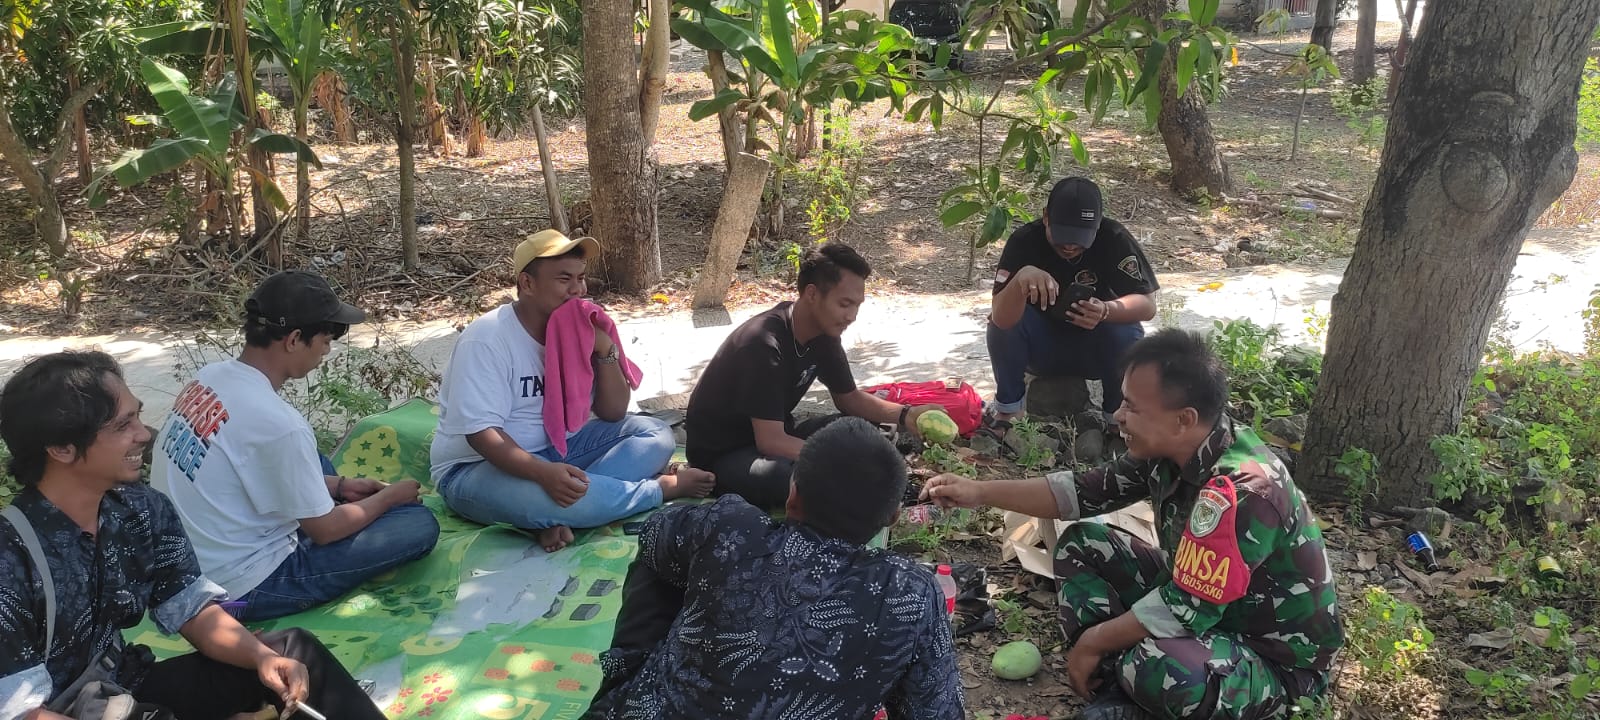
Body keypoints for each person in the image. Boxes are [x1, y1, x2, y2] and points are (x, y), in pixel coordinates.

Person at [923, 330, 1343, 720]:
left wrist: (1093, 640)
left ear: (1183, 418)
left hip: (1272, 662)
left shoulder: (1242, 490)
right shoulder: (1176, 446)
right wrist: (979, 491)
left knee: (1161, 665)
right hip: (1207, 614)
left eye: (1132, 407)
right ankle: (1117, 678)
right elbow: (1081, 493)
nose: (1118, 415)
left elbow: (1185, 607)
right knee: (1082, 544)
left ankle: (1128, 677)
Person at [0, 351, 386, 720]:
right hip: (54, 710)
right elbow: (18, 711)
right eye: (122, 426)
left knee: (290, 655)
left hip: (118, 691)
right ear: (61, 448)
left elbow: (190, 608)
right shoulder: (11, 558)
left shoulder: (140, 509)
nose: (143, 434)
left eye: (138, 417)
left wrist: (261, 657)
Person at [586, 417, 965, 719]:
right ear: (892, 518)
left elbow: (654, 533)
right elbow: (936, 709)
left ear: (792, 494)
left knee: (664, 557)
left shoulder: (731, 528)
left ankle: (629, 682)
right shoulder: (911, 592)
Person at [151, 270, 440, 621]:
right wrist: (388, 498)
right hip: (239, 586)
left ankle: (330, 501)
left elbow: (245, 469)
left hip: (188, 562)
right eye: (325, 339)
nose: (327, 350)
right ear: (294, 339)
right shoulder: (279, 425)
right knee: (418, 524)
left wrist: (339, 486)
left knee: (314, 462)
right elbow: (325, 530)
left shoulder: (209, 377)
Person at [430, 230, 715, 553]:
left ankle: (562, 511)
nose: (578, 290)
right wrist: (542, 473)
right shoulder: (487, 338)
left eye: (581, 278)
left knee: (656, 435)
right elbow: (482, 435)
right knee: (551, 498)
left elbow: (613, 412)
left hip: (558, 449)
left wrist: (604, 349)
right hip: (474, 468)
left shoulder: (577, 329)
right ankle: (656, 490)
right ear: (527, 284)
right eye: (564, 279)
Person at [684, 243, 943, 509]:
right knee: (800, 478)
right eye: (844, 304)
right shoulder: (762, 344)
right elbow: (770, 441)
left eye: (857, 306)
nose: (852, 316)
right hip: (725, 456)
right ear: (812, 294)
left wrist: (907, 415)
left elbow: (850, 399)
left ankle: (871, 484)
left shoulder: (824, 334)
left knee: (861, 428)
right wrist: (837, 460)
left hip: (779, 436)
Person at [986, 176, 1159, 425]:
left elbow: (1147, 305)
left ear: (1098, 225)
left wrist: (1106, 310)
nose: (1069, 245)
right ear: (1046, 217)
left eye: (1080, 238)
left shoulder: (1114, 237)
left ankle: (1118, 420)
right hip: (1040, 350)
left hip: (1097, 349)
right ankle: (1008, 412)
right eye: (1062, 234)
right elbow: (1001, 321)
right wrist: (1020, 281)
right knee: (1001, 320)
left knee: (1126, 330)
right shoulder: (1024, 241)